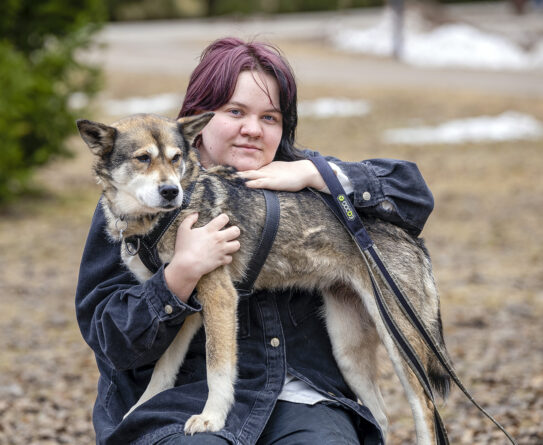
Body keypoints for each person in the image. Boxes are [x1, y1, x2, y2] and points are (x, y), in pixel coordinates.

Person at [76, 37, 434, 445]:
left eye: (270, 117)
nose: (252, 129)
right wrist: (178, 277)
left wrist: (319, 175)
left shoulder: (302, 175)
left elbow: (414, 195)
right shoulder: (135, 209)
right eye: (235, 112)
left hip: (304, 399)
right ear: (198, 119)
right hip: (184, 404)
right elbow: (109, 339)